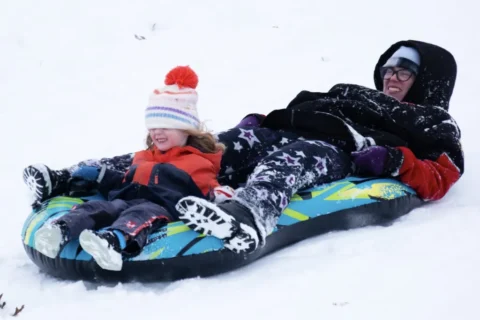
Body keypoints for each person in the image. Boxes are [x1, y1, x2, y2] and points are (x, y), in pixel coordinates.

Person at [24, 40, 463, 255]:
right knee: (196, 148)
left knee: (287, 161)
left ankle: (249, 216)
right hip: (283, 128)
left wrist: (394, 158)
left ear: (428, 80)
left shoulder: (433, 121)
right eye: (388, 67)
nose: (391, 77)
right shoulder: (348, 90)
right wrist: (259, 123)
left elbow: (442, 174)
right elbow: (302, 106)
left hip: (334, 147)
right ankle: (74, 177)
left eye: (404, 72)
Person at [33, 66, 228, 271]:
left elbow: (210, 193)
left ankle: (113, 242)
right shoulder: (143, 157)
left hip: (161, 207)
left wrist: (223, 196)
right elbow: (125, 183)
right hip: (126, 200)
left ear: (186, 128)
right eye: (152, 127)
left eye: (165, 127)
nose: (157, 133)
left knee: (139, 214)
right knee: (98, 208)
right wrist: (102, 176)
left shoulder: (199, 162)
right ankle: (58, 231)